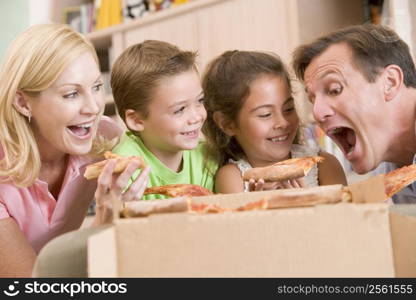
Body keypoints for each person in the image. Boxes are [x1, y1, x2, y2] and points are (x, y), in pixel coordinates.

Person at [0, 24, 150, 277]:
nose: (93, 108)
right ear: (23, 103)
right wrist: (104, 219)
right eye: (71, 94)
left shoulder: (104, 139)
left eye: (96, 86)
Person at [292, 24, 416, 203]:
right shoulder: (386, 174)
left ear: (390, 82)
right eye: (312, 99)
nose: (317, 113)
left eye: (334, 90)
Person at [202, 50, 347, 193]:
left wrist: (307, 200)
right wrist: (256, 206)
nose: (283, 122)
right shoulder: (232, 177)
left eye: (289, 109)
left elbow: (343, 215)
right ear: (228, 124)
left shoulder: (324, 165)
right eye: (265, 114)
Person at [110, 40, 218, 198]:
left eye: (200, 101)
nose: (196, 117)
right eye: (180, 109)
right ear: (137, 120)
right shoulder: (124, 169)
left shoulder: (208, 156)